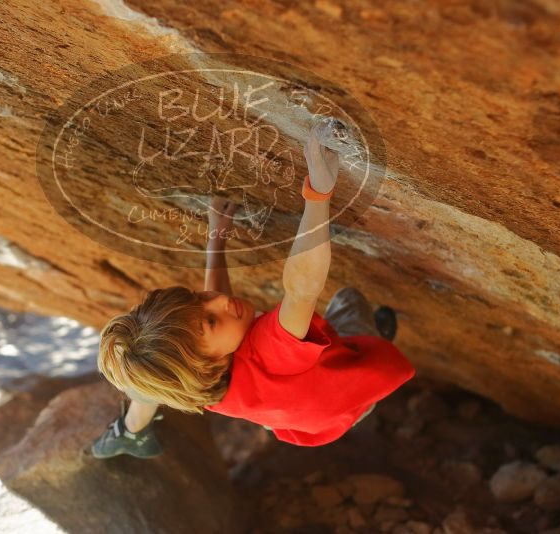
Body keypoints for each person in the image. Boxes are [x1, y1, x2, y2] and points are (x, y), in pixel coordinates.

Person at [91, 124, 415, 459]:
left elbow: (196, 330)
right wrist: (318, 192)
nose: (219, 300)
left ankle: (131, 431)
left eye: (199, 300)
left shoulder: (197, 384)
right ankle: (373, 337)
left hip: (298, 418)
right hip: (350, 399)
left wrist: (217, 239)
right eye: (212, 322)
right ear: (210, 361)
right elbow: (303, 287)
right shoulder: (270, 350)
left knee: (146, 374)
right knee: (348, 299)